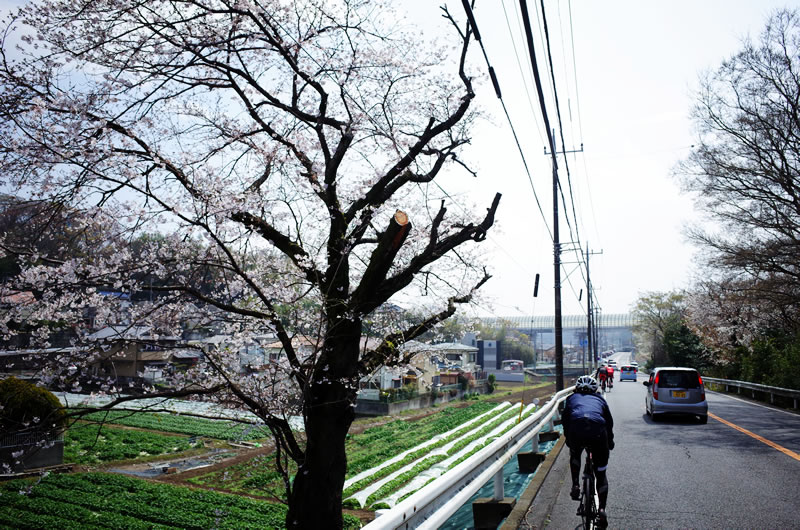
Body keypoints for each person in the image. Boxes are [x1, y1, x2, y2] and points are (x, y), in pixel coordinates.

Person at [561, 375, 614, 528]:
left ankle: (576, 485)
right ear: (595, 389)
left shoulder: (571, 398)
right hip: (598, 432)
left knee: (575, 453)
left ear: (576, 388)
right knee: (601, 473)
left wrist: (569, 439)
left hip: (576, 429)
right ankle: (602, 510)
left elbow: (566, 420)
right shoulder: (600, 400)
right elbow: (609, 423)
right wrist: (609, 442)